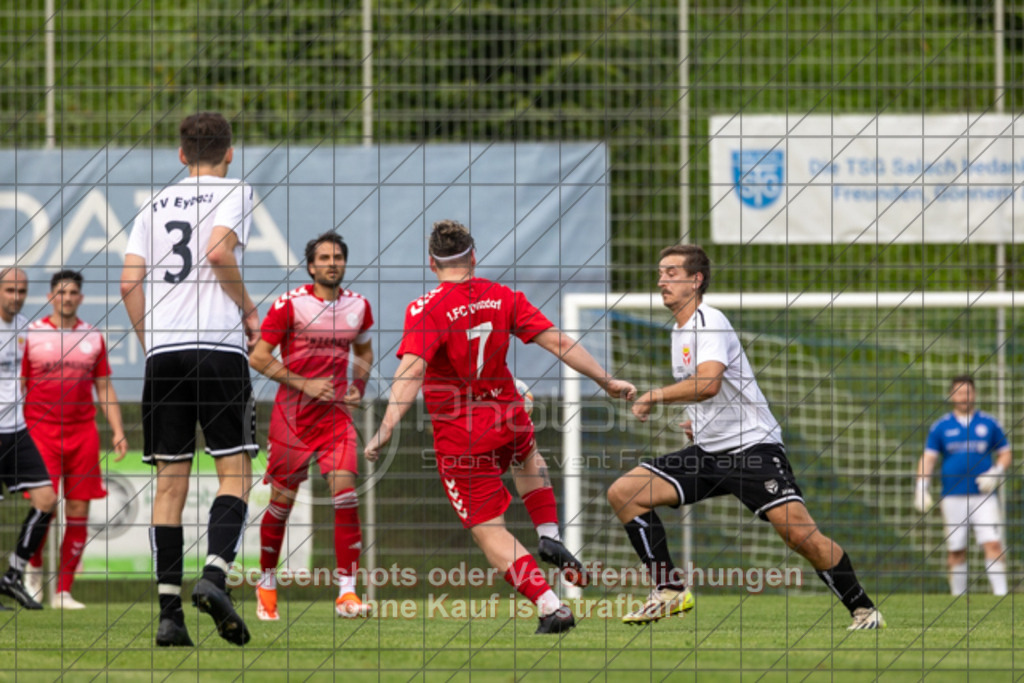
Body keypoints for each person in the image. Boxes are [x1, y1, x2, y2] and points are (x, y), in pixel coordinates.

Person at [364, 219, 637, 635]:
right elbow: (559, 342)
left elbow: (412, 369)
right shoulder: (503, 297)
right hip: (510, 416)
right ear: (473, 256)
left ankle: (551, 606)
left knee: (490, 531)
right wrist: (606, 380)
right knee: (528, 455)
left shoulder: (426, 308)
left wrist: (385, 427)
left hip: (463, 435)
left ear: (432, 264)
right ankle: (548, 532)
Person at [606, 244, 885, 630]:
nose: (662, 280)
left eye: (672, 273)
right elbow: (706, 393)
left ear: (696, 279)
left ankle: (864, 610)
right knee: (625, 493)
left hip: (753, 449)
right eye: (660, 273)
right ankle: (668, 590)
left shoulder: (710, 320)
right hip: (709, 452)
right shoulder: (679, 330)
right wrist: (695, 422)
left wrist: (654, 395)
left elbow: (706, 384)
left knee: (801, 538)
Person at [121, 112, 260, 647]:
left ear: (181, 154)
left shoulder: (153, 205)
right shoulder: (236, 190)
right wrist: (248, 309)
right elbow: (219, 252)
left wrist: (149, 343)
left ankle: (169, 617)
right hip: (217, 348)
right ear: (229, 153)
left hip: (165, 354)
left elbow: (129, 283)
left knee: (170, 483)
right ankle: (215, 575)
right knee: (236, 471)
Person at [249, 232, 374, 621]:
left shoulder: (358, 307)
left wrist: (358, 386)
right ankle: (267, 581)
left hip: (335, 418)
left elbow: (365, 349)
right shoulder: (290, 304)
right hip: (292, 419)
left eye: (337, 256)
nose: (331, 263)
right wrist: (304, 384)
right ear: (310, 266)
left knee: (346, 496)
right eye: (323, 257)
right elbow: (258, 357)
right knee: (282, 505)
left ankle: (347, 594)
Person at [21, 270, 128, 610]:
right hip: (40, 432)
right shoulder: (31, 335)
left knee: (80, 509)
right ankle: (33, 572)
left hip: (82, 434)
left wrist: (118, 429)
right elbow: (17, 385)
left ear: (80, 298)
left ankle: (64, 591)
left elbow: (104, 387)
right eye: (61, 293)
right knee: (45, 505)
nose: (66, 298)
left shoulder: (93, 338)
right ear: (51, 297)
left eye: (73, 294)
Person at [914, 375, 1011, 596]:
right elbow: (928, 458)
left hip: (983, 496)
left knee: (993, 544)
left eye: (967, 392)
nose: (963, 397)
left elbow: (1005, 453)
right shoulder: (941, 427)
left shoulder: (989, 423)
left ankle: (1001, 596)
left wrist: (996, 472)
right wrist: (921, 486)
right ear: (951, 395)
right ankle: (958, 598)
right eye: (958, 393)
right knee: (956, 549)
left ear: (974, 394)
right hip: (952, 496)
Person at [0, 267, 59, 611]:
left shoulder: (24, 328)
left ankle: (12, 574)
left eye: (21, 291)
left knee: (48, 500)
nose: (16, 297)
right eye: (10, 290)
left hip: (17, 432)